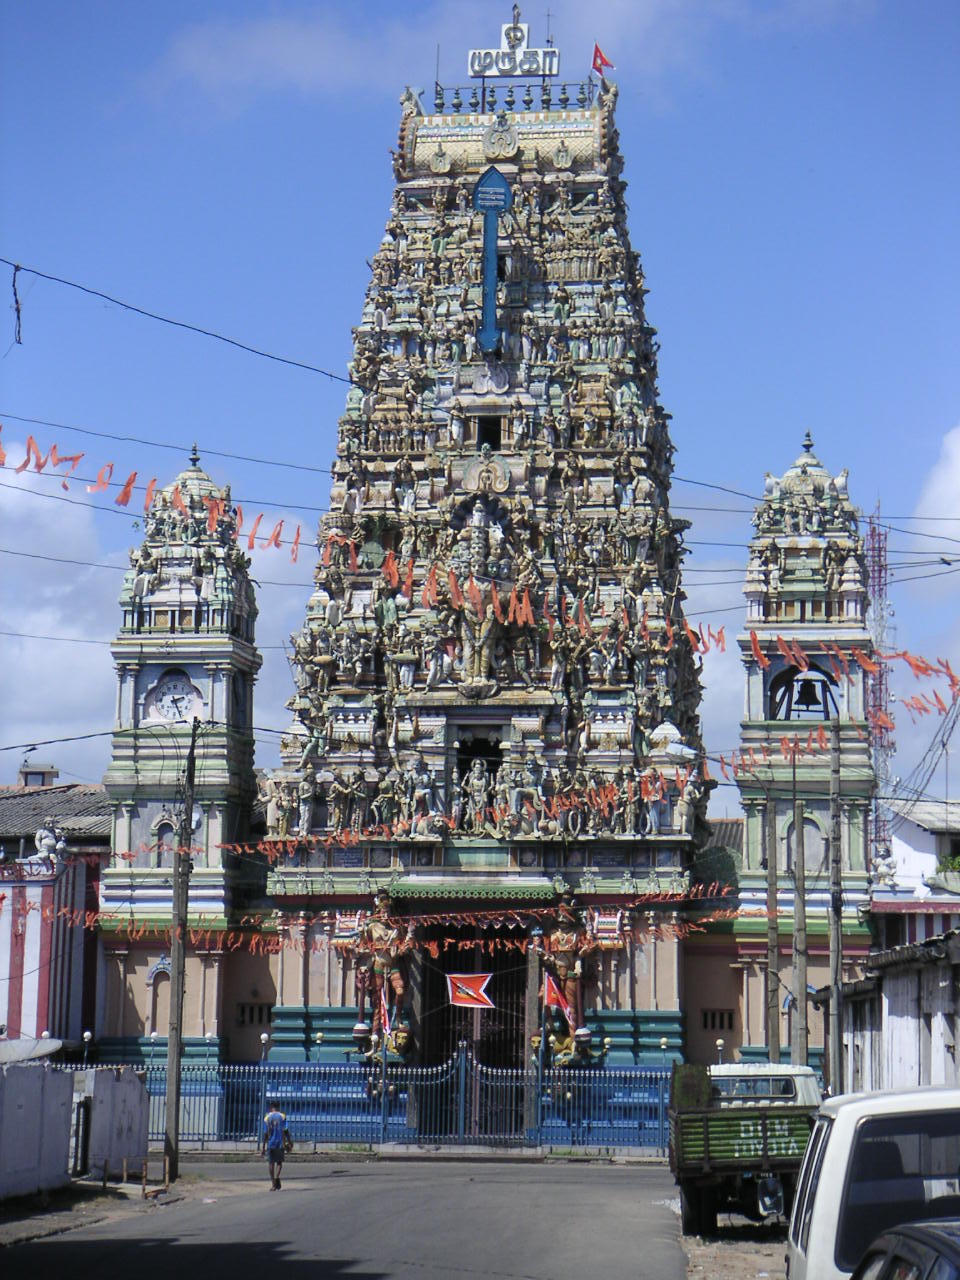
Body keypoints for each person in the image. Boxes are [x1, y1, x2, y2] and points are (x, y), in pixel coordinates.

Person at [261, 1100, 289, 1190]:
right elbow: (285, 1130)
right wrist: (289, 1142)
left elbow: (265, 1133)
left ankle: (273, 1184)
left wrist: (263, 1146)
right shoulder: (282, 1116)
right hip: (280, 1142)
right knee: (279, 1162)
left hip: (271, 1143)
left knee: (271, 1163)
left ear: (271, 1107)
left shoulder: (267, 1117)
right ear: (278, 1107)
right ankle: (277, 1177)